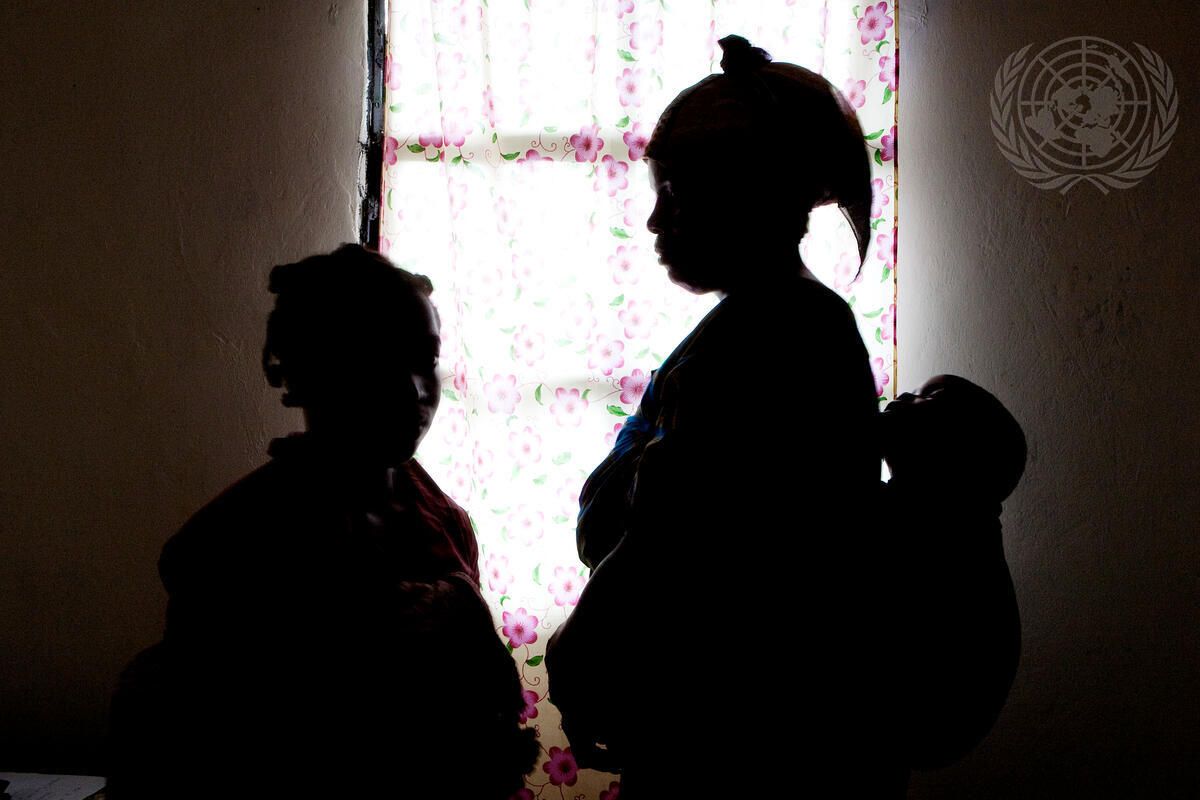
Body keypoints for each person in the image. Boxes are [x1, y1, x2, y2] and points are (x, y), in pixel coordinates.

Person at [546, 35, 896, 797]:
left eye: (674, 192)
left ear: (747, 195)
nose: (653, 222)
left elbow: (667, 541)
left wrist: (574, 664)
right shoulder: (779, 323)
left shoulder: (773, 336)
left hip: (739, 748)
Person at [108, 245, 537, 799]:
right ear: (310, 370)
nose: (413, 389)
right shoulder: (231, 542)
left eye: (425, 358)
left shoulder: (443, 522)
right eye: (378, 360)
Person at [878, 374, 1026, 770]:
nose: (904, 395)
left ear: (963, 449)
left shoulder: (938, 531)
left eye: (933, 396)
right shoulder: (960, 527)